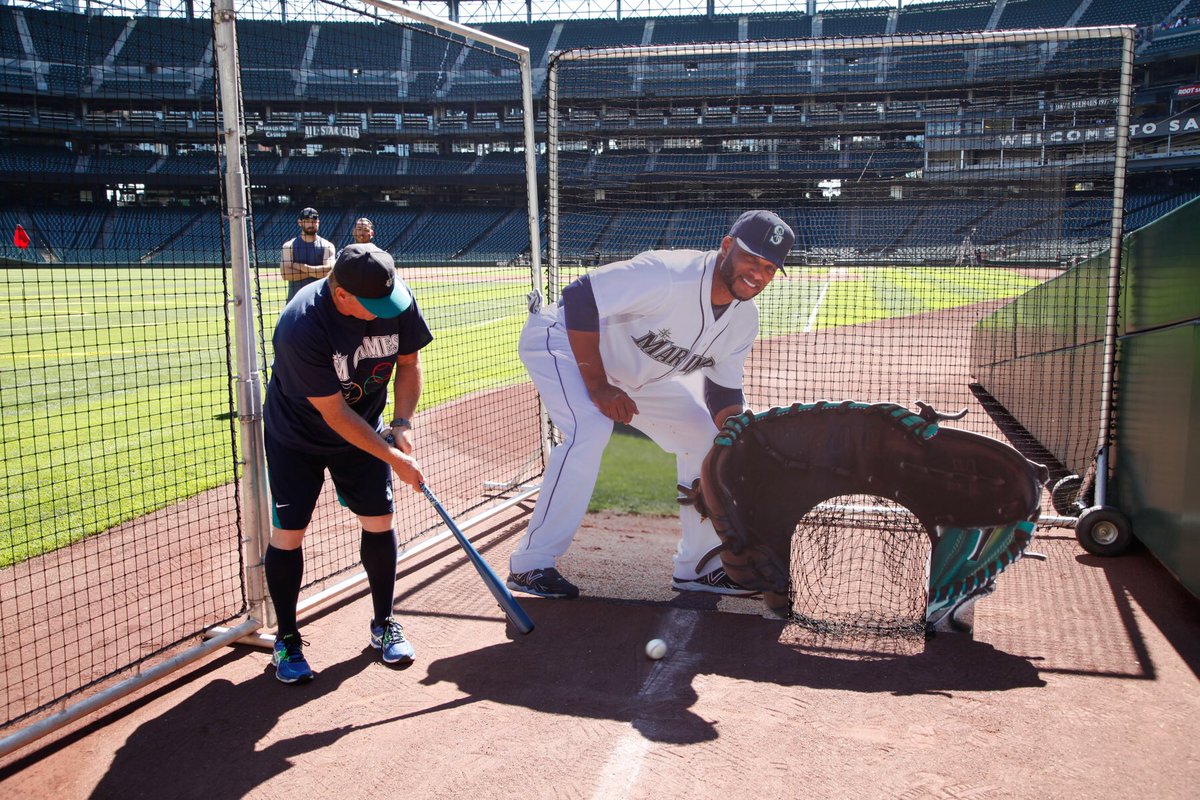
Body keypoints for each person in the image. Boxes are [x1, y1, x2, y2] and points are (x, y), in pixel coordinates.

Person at [506, 210, 795, 599]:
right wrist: (597, 386)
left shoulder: (745, 319)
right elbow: (579, 296)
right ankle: (531, 564)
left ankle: (697, 567)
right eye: (750, 259)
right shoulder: (670, 274)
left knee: (707, 439)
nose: (758, 274)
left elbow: (722, 393)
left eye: (769, 267)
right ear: (727, 246)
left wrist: (737, 436)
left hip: (635, 374)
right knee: (589, 429)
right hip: (562, 342)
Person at [263, 242, 434, 683]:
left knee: (380, 519)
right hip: (297, 435)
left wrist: (401, 422)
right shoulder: (301, 326)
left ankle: (383, 624)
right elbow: (334, 413)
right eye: (373, 306)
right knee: (289, 533)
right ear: (341, 295)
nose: (384, 312)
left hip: (364, 425)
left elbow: (410, 364)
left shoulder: (393, 299)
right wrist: (393, 456)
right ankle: (286, 639)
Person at [280, 207, 336, 301]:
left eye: (314, 221)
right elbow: (286, 275)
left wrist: (300, 267)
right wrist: (316, 272)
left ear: (318, 222)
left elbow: (329, 274)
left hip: (321, 302)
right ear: (300, 223)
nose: (311, 224)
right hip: (295, 301)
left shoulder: (328, 245)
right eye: (307, 221)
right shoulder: (289, 246)